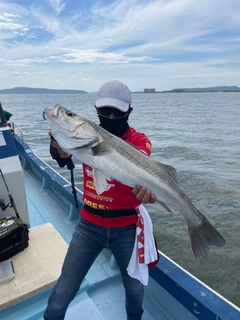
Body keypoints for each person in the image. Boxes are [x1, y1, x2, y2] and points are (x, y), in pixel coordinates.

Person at [44, 80, 157, 320]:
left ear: (129, 112)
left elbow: (142, 164)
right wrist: (58, 147)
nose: (111, 115)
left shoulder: (139, 141)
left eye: (118, 111)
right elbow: (65, 158)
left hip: (128, 228)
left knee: (135, 292)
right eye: (105, 110)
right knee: (62, 291)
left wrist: (146, 190)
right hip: (88, 226)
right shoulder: (84, 137)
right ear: (96, 110)